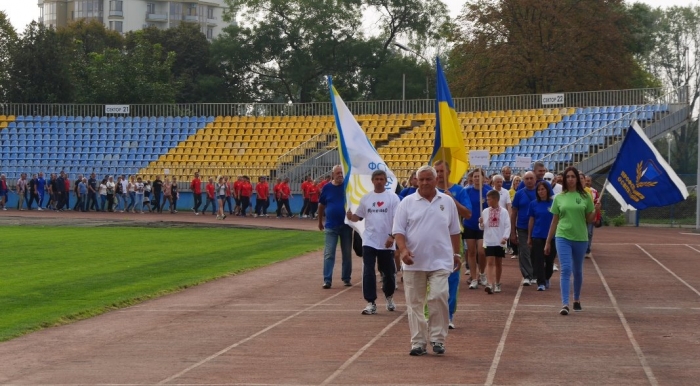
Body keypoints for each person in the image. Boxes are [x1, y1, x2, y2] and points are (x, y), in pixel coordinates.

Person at [392, 165, 461, 356]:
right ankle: (418, 342)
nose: (424, 183)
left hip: (441, 261)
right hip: (414, 262)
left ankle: (438, 339)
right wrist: (403, 250)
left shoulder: (447, 202)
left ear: (436, 180)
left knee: (438, 296)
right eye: (420, 179)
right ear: (416, 181)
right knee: (414, 303)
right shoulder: (406, 202)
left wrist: (457, 254)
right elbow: (398, 231)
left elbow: (455, 231)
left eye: (428, 179)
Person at [545, 166, 600, 315]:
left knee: (577, 270)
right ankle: (565, 303)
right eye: (568, 176)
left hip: (580, 237)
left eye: (573, 176)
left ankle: (576, 299)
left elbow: (589, 219)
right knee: (566, 269)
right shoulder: (559, 197)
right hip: (562, 236)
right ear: (564, 179)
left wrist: (595, 210)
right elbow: (554, 220)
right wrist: (548, 241)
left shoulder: (585, 197)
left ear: (577, 179)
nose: (570, 179)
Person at [346, 169, 400, 314]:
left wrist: (392, 236)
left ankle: (389, 296)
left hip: (386, 241)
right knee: (368, 271)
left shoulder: (393, 198)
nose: (379, 181)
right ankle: (371, 302)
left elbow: (398, 219)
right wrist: (351, 216)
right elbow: (359, 217)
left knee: (388, 273)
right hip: (369, 240)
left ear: (386, 181)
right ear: (372, 181)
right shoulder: (366, 198)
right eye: (377, 179)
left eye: (382, 179)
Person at [435, 160, 472, 329]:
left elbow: (468, 213)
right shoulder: (429, 191)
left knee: (452, 278)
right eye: (436, 171)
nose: (439, 174)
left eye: (442, 171)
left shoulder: (459, 190)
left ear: (448, 172)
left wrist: (452, 201)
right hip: (432, 241)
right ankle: (432, 314)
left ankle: (448, 314)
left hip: (452, 240)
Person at [318, 165, 353, 289]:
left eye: (341, 173)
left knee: (347, 253)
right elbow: (321, 205)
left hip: (346, 225)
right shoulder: (327, 188)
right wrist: (319, 221)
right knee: (329, 253)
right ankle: (327, 279)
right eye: (337, 173)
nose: (340, 175)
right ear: (333, 174)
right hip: (331, 226)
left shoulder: (348, 187)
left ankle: (346, 278)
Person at [464, 168, 492, 289]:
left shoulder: (488, 191)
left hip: (483, 226)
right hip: (469, 224)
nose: (476, 178)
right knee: (471, 252)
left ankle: (482, 273)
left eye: (478, 176)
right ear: (471, 178)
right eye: (474, 176)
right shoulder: (467, 191)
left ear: (483, 178)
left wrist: (485, 219)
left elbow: (492, 208)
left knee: (481, 252)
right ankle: (474, 277)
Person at [479, 190, 511, 294]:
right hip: (489, 240)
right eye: (487, 199)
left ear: (496, 199)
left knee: (498, 262)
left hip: (500, 241)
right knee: (490, 262)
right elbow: (482, 228)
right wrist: (481, 224)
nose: (487, 201)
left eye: (489, 199)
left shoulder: (504, 212)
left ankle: (497, 283)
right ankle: (490, 284)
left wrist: (505, 237)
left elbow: (507, 225)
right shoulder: (485, 211)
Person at [528, 181, 557, 291]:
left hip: (552, 236)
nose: (541, 191)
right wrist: (529, 237)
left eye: (543, 189)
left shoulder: (554, 203)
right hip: (538, 235)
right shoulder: (533, 204)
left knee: (550, 260)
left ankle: (547, 277)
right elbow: (531, 220)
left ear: (548, 190)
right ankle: (541, 282)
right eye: (539, 190)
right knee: (538, 260)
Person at [511, 171, 538, 286]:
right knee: (524, 251)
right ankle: (527, 275)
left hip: (538, 227)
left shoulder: (540, 192)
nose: (529, 181)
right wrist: (513, 232)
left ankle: (535, 274)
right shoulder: (519, 194)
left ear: (535, 179)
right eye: (526, 179)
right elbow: (514, 212)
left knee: (536, 251)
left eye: (531, 178)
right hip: (522, 227)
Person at [584, 174, 599, 259]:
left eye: (588, 181)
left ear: (591, 182)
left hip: (591, 215)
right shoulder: (580, 190)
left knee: (589, 233)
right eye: (585, 180)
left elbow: (598, 204)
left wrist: (597, 217)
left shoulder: (594, 191)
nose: (587, 182)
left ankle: (587, 249)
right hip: (582, 215)